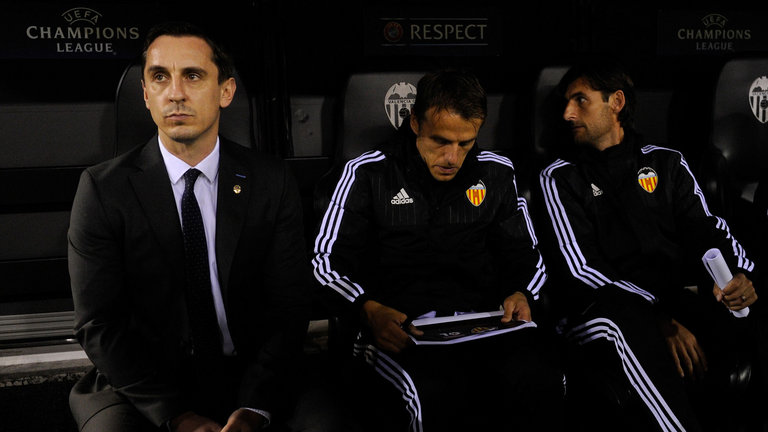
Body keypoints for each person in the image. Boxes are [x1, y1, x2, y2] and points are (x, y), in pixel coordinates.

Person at [68, 21, 314, 432]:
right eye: (159, 77)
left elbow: (290, 308)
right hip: (143, 386)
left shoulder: (271, 181)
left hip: (252, 373)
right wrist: (175, 415)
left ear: (226, 92)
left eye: (193, 76)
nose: (175, 93)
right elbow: (99, 324)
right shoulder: (102, 189)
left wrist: (255, 406)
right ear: (146, 94)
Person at [312, 68, 564, 431]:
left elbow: (528, 254)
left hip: (483, 325)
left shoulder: (496, 173)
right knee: (435, 398)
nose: (452, 156)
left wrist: (523, 293)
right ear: (414, 122)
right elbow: (324, 264)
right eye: (440, 141)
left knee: (541, 380)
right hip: (401, 330)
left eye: (465, 143)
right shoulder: (366, 174)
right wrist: (367, 309)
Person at [535, 57, 767, 431]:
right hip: (597, 312)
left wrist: (741, 278)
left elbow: (708, 229)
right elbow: (581, 271)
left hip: (670, 302)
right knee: (626, 324)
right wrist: (658, 317)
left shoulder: (667, 163)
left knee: (753, 303)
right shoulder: (560, 177)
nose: (566, 113)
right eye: (565, 101)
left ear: (617, 103)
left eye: (580, 100)